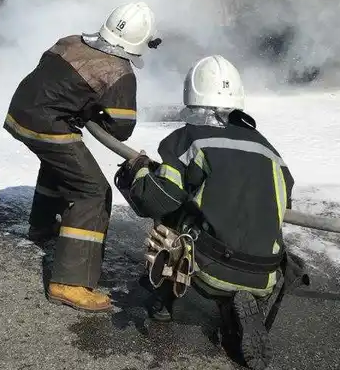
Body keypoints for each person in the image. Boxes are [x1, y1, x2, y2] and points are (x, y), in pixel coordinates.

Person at [115, 54, 308, 369]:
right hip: (266, 272)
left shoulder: (186, 140)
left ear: (190, 99)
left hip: (210, 266)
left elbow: (159, 200)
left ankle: (164, 300)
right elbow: (281, 201)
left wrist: (137, 174)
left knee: (172, 216)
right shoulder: (269, 149)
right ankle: (244, 302)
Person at [3, 2, 162, 312]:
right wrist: (93, 107)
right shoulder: (119, 71)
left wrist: (79, 102)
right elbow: (120, 128)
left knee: (62, 164)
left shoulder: (71, 41)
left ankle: (42, 225)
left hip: (19, 112)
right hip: (46, 125)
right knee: (92, 191)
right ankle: (70, 283)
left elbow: (47, 72)